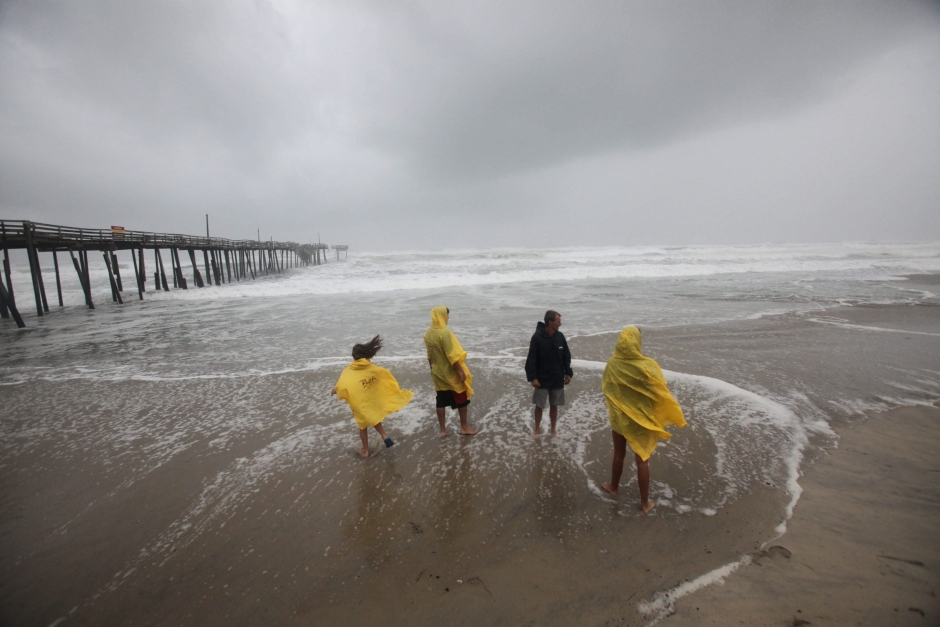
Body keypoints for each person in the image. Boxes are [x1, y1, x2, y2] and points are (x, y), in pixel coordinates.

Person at [600, 326, 686, 512]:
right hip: (640, 420)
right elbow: (659, 390)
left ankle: (614, 487)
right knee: (642, 460)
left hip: (619, 419)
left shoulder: (612, 364)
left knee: (618, 454)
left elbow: (607, 387)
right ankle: (645, 503)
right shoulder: (647, 366)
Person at [332, 335, 414, 458]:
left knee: (362, 426)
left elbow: (342, 385)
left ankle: (366, 451)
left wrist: (334, 391)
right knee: (374, 418)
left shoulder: (348, 370)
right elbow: (382, 374)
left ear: (354, 356)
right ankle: (385, 437)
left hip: (359, 404)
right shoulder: (370, 367)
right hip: (370, 400)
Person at [424, 306, 477, 436]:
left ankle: (443, 430)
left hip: (437, 372)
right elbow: (451, 355)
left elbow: (429, 355)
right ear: (442, 316)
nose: (448, 317)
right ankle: (464, 427)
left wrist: (432, 369)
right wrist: (461, 371)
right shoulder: (444, 333)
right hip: (450, 373)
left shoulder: (428, 334)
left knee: (440, 400)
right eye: (447, 315)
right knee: (461, 398)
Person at [524, 310, 573, 437]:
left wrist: (568, 373)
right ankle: (537, 429)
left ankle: (553, 429)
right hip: (542, 379)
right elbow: (531, 359)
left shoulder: (560, 336)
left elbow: (566, 356)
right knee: (539, 406)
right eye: (558, 322)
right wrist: (533, 378)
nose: (560, 324)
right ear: (550, 322)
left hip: (557, 377)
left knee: (554, 405)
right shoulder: (537, 337)